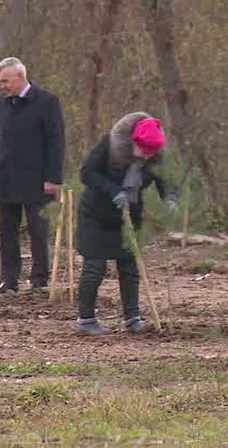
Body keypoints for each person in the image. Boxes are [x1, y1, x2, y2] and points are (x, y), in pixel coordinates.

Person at [74, 112, 178, 335]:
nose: (147, 155)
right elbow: (87, 173)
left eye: (152, 152)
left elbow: (166, 180)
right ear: (133, 142)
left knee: (130, 268)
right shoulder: (109, 144)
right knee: (94, 268)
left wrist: (170, 199)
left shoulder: (156, 155)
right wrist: (114, 191)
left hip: (130, 217)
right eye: (144, 149)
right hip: (96, 215)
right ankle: (86, 319)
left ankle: (132, 318)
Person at [0, 57, 65, 294]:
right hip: (6, 179)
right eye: (0, 81)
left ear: (20, 77)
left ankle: (39, 280)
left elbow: (56, 141)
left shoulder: (47, 101)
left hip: (38, 180)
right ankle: (9, 280)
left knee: (38, 231)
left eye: (5, 81)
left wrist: (53, 177)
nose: (2, 86)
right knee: (7, 232)